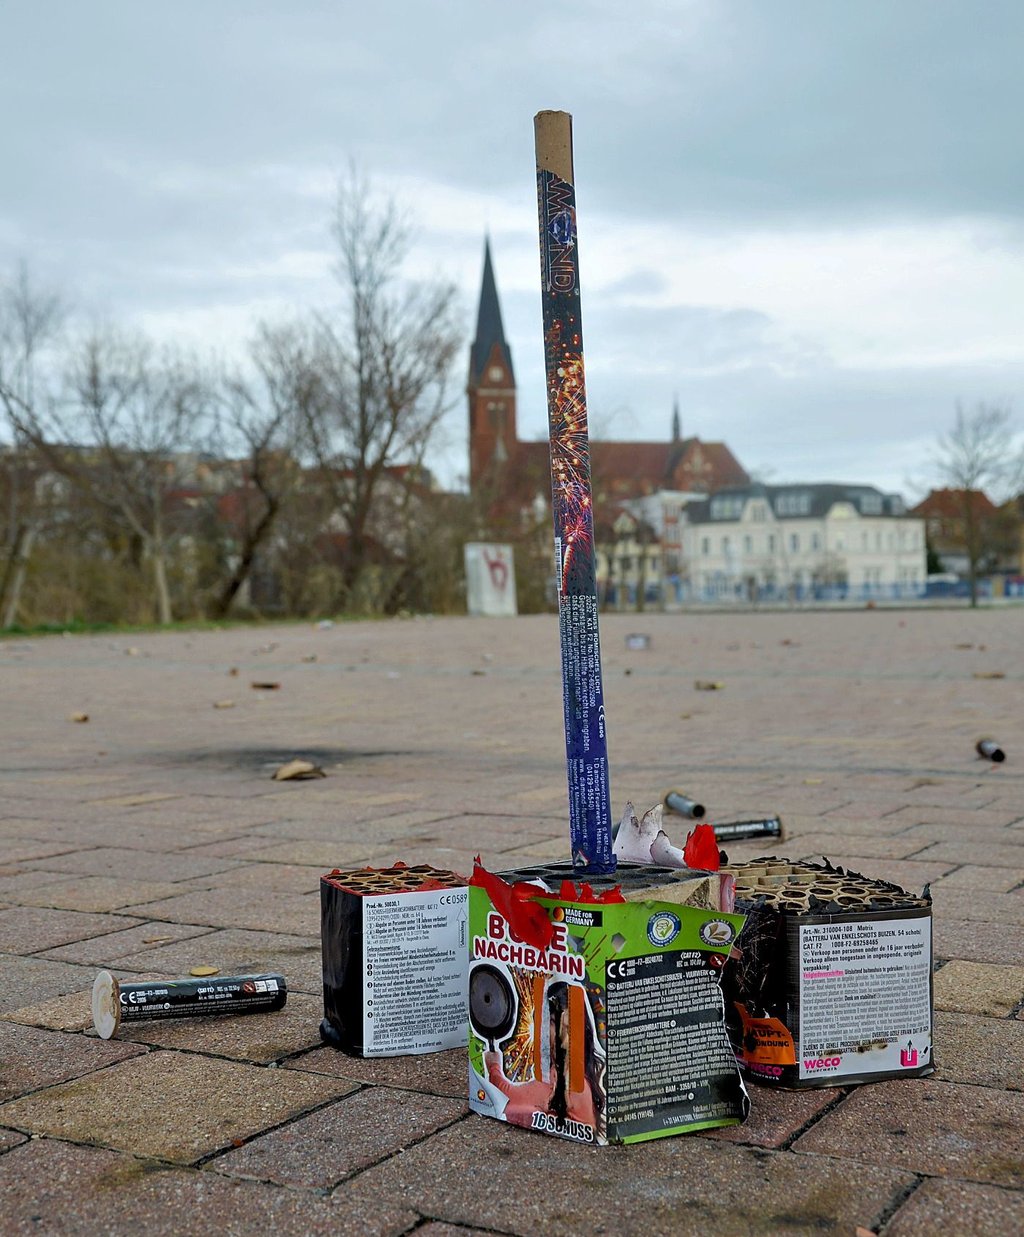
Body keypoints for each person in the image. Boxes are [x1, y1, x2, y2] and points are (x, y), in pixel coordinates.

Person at [483, 981, 604, 1135]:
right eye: (555, 1023)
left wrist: (493, 1066)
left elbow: (507, 1097)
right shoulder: (579, 1075)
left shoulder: (564, 1081)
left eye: (569, 1027)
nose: (563, 1038)